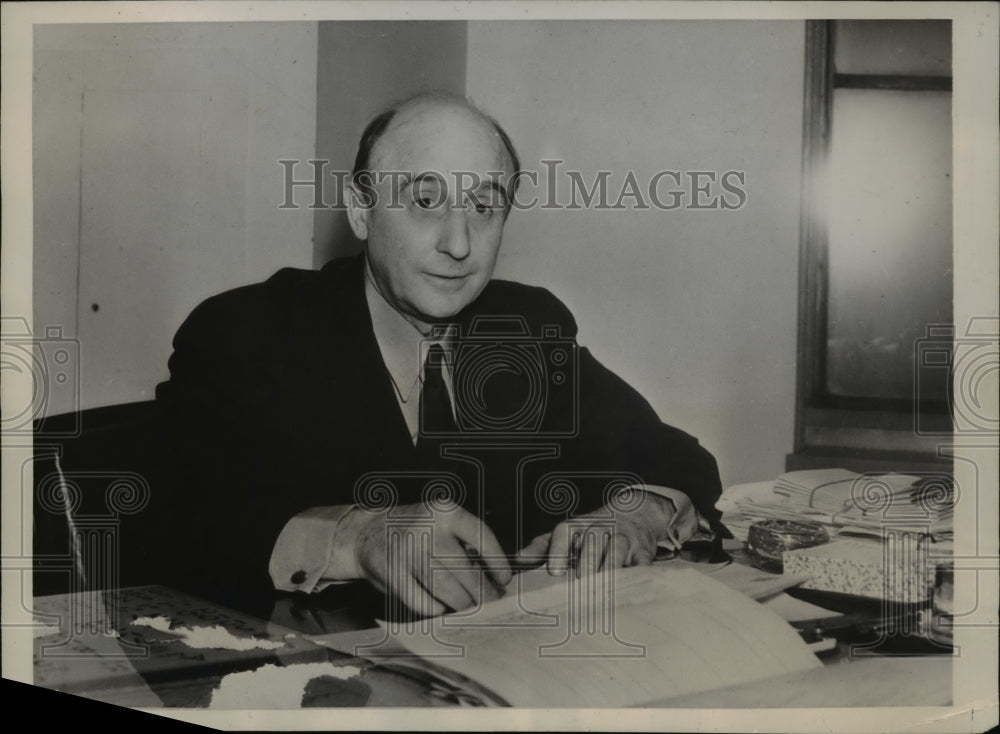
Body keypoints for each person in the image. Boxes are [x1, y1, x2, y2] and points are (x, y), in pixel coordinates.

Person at [152, 91, 728, 617]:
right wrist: (360, 537)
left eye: (484, 207)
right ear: (360, 208)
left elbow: (677, 458)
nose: (458, 244)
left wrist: (633, 514)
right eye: (426, 201)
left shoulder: (524, 330)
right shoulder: (247, 334)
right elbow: (174, 522)